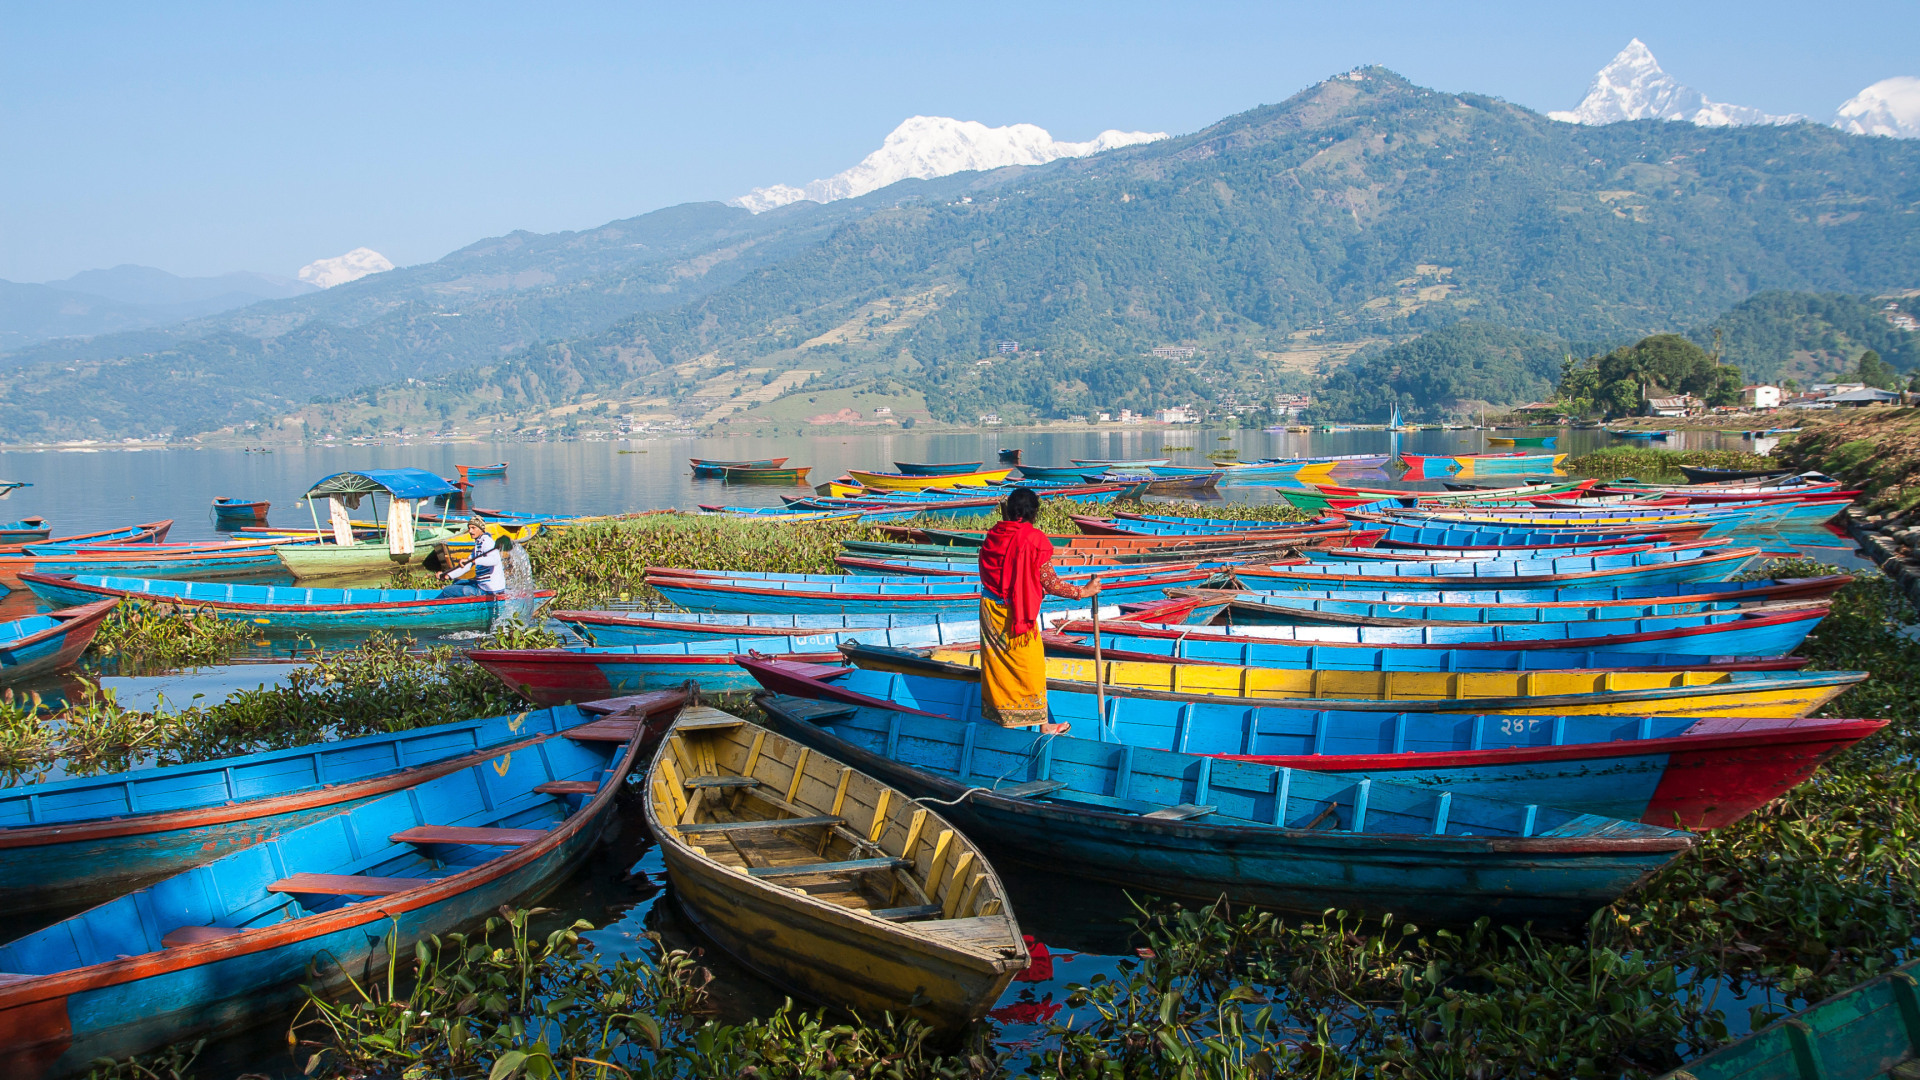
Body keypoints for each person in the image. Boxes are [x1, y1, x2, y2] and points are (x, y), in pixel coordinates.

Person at [975, 487, 1099, 729]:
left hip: (990, 609)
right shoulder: (1033, 539)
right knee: (1032, 666)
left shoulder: (994, 534)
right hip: (1016, 615)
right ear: (1034, 512)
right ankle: (1042, 724)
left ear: (1009, 510)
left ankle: (1002, 718)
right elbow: (1050, 583)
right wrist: (1083, 592)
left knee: (997, 665)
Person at [438, 519, 510, 598]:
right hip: (482, 586)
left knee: (447, 590)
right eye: (469, 528)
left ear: (481, 529)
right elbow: (467, 566)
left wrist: (474, 560)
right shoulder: (478, 543)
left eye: (473, 528)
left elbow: (494, 560)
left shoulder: (487, 542)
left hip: (490, 590)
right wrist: (448, 575)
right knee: (457, 582)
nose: (470, 531)